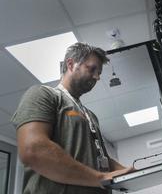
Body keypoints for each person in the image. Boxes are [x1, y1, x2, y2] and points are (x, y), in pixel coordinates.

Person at [11, 42, 134, 194]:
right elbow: (33, 149)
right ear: (70, 64)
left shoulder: (90, 115)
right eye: (92, 69)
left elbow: (101, 158)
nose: (97, 77)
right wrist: (100, 177)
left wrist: (131, 175)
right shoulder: (43, 94)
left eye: (99, 73)